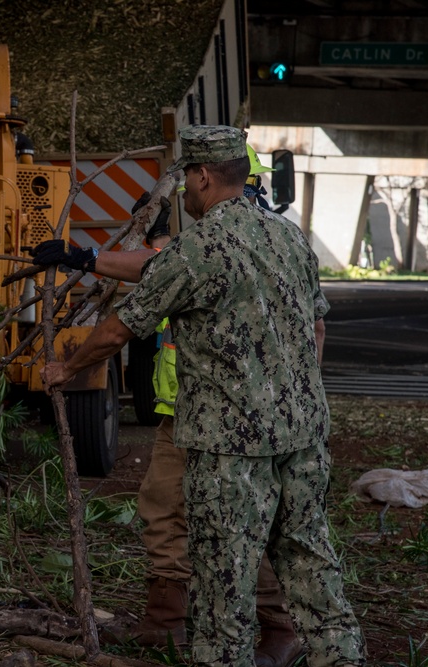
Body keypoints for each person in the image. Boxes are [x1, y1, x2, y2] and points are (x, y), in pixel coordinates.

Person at [41, 125, 364, 666]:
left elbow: (121, 328)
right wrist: (297, 397)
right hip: (304, 438)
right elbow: (319, 328)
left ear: (202, 175)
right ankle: (340, 657)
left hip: (230, 448)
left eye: (186, 182)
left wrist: (65, 368)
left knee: (223, 576)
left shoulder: (200, 246)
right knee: (311, 560)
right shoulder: (289, 238)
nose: (185, 194)